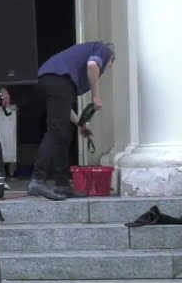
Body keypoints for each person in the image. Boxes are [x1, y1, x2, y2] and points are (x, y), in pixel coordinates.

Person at [29, 42, 116, 201]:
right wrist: (96, 96)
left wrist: (80, 124)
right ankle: (37, 179)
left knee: (62, 134)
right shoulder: (103, 50)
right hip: (57, 80)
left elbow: (65, 107)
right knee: (56, 131)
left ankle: (62, 184)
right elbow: (92, 65)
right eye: (108, 66)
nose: (105, 69)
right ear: (112, 59)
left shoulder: (68, 71)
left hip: (46, 81)